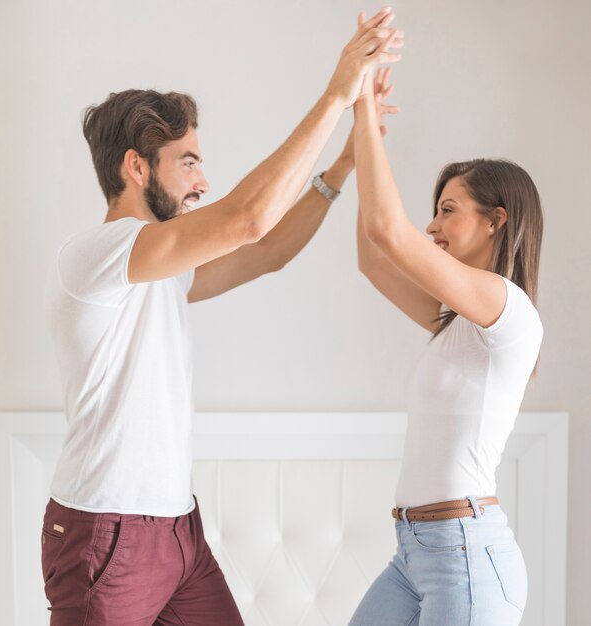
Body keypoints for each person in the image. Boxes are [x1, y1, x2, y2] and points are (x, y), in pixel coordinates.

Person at [41, 8, 403, 626]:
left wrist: (341, 167)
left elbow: (265, 251)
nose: (203, 180)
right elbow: (247, 220)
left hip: (180, 531)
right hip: (107, 534)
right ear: (136, 166)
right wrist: (336, 95)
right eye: (187, 161)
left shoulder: (163, 269)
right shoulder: (97, 256)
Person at [347, 18, 544, 626]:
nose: (433, 225)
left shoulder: (505, 307)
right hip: (415, 553)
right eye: (433, 211)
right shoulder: (458, 320)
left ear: (496, 221)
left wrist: (356, 96)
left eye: (448, 211)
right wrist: (368, 133)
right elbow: (372, 259)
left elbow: (388, 232)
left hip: (466, 554)